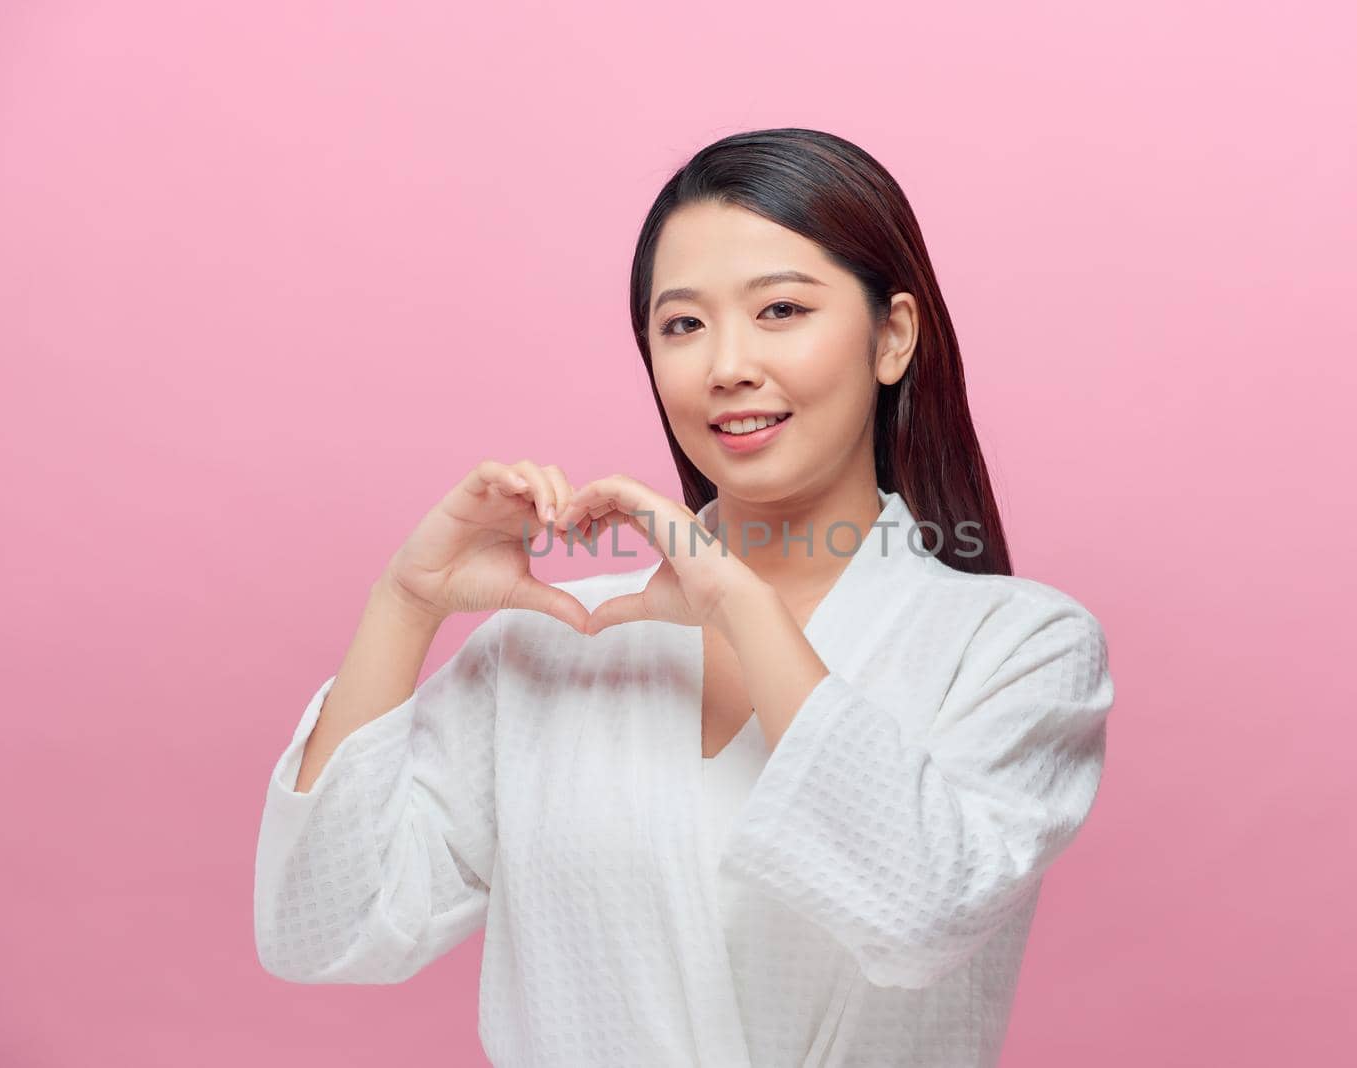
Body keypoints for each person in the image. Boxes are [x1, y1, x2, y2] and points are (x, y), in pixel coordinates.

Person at [253, 127, 1116, 1067]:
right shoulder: (553, 645)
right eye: (682, 324)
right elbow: (321, 928)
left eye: (780, 309)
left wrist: (738, 604)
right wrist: (404, 600)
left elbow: (918, 914)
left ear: (892, 337)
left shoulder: (1019, 647)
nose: (725, 365)